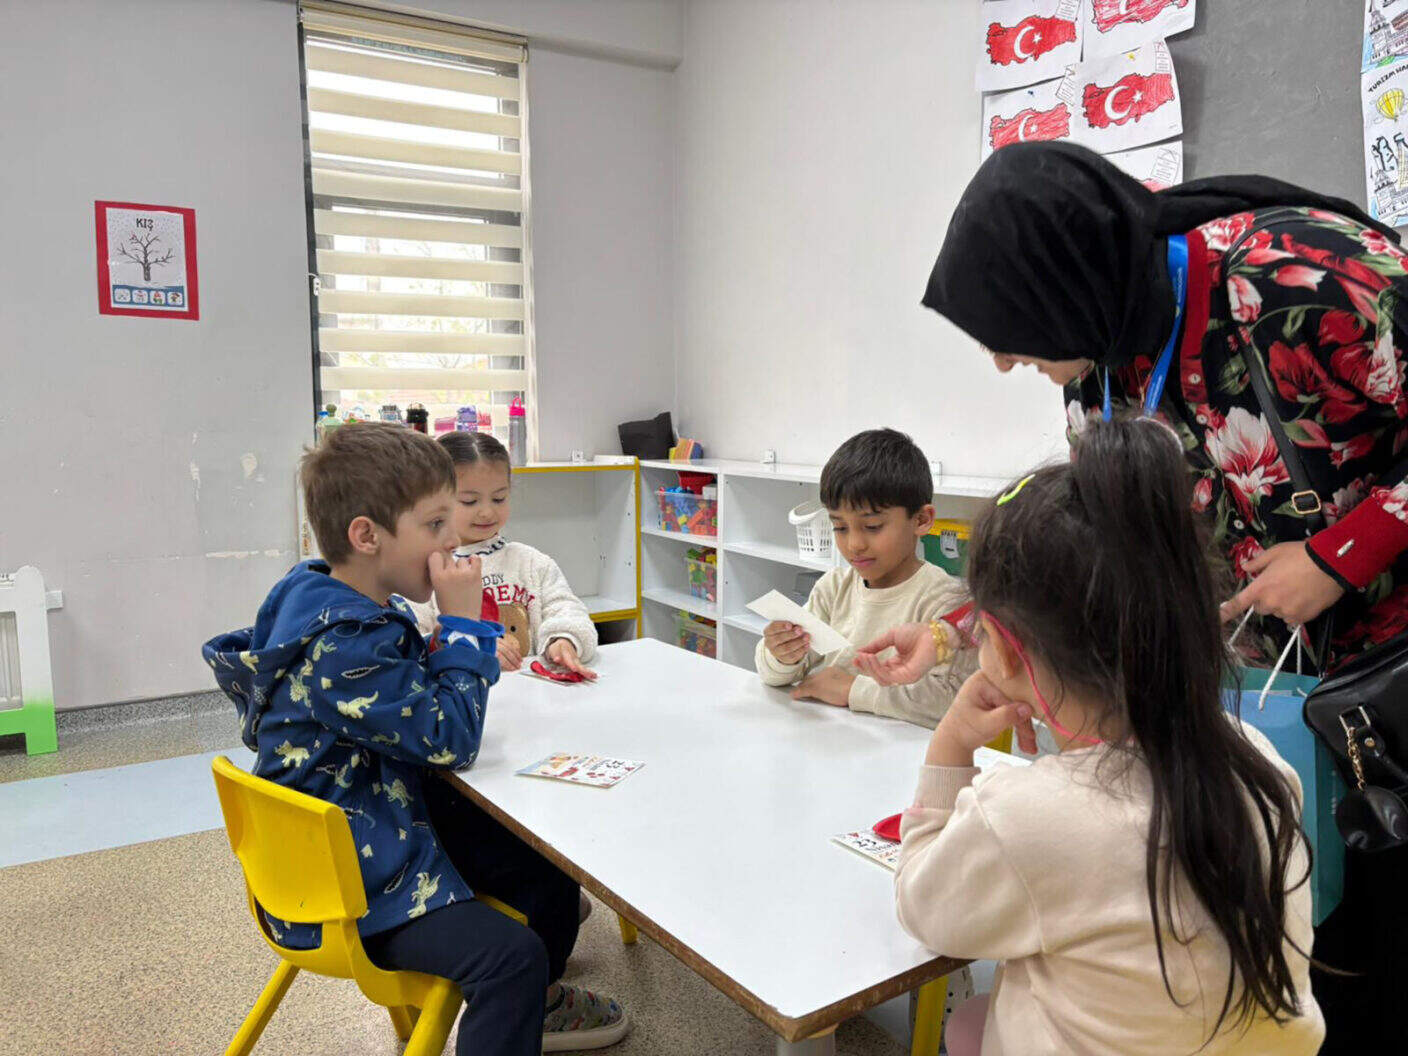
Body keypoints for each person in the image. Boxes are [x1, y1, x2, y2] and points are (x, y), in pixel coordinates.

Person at [920, 141, 1408, 1050]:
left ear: (1066, 284)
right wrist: (959, 634)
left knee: (1376, 940)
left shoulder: (1301, 276)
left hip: (1388, 678)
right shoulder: (1099, 366)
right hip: (1273, 691)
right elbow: (1076, 559)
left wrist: (1339, 555)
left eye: (1010, 331)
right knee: (1301, 943)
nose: (1003, 363)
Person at [860, 417, 1322, 1054]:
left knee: (975, 1020)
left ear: (1005, 650)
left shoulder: (1027, 815)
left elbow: (924, 909)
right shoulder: (1258, 756)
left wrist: (951, 744)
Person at [202, 423, 628, 1056]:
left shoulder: (318, 592)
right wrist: (462, 624)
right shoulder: (347, 644)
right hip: (356, 883)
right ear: (367, 536)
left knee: (543, 864)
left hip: (365, 828)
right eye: (435, 524)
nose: (453, 539)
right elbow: (452, 739)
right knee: (512, 958)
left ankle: (539, 998)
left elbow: (408, 695)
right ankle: (526, 991)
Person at [756, 428, 977, 727]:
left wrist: (853, 690)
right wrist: (783, 656)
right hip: (826, 736)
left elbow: (953, 701)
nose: (854, 544)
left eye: (872, 527)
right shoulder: (832, 588)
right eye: (840, 527)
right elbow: (776, 675)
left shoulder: (944, 601)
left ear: (922, 520)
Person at [415, 431, 598, 680]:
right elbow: (409, 643)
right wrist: (469, 647)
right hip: (460, 696)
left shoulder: (531, 562)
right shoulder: (422, 571)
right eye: (469, 501)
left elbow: (566, 609)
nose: (487, 512)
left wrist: (564, 639)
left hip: (533, 693)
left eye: (499, 498)